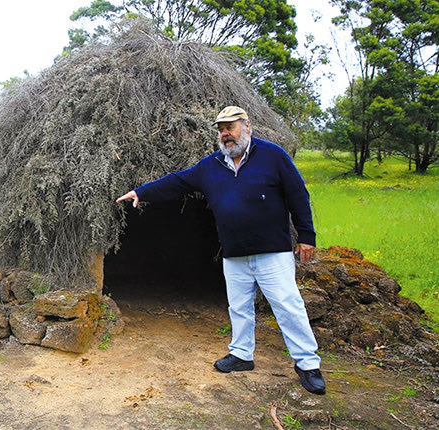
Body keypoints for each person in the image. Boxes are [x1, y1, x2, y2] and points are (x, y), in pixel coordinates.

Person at [116, 106, 326, 395]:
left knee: (288, 306)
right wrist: (142, 192)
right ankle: (241, 355)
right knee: (238, 306)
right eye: (221, 129)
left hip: (272, 251)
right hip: (234, 252)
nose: (226, 133)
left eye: (231, 126)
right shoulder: (212, 165)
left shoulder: (272, 156)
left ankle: (307, 364)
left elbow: (298, 193)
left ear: (247, 126)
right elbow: (178, 181)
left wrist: (306, 235)